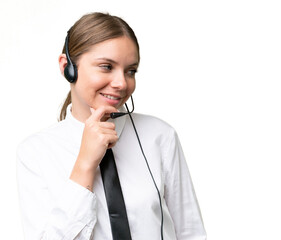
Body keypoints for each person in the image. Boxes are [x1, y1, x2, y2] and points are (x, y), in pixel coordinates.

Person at [17, 12, 206, 240]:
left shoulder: (160, 136)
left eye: (130, 71)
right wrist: (85, 164)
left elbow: (190, 233)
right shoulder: (36, 152)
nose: (121, 83)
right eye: (106, 66)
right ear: (68, 67)